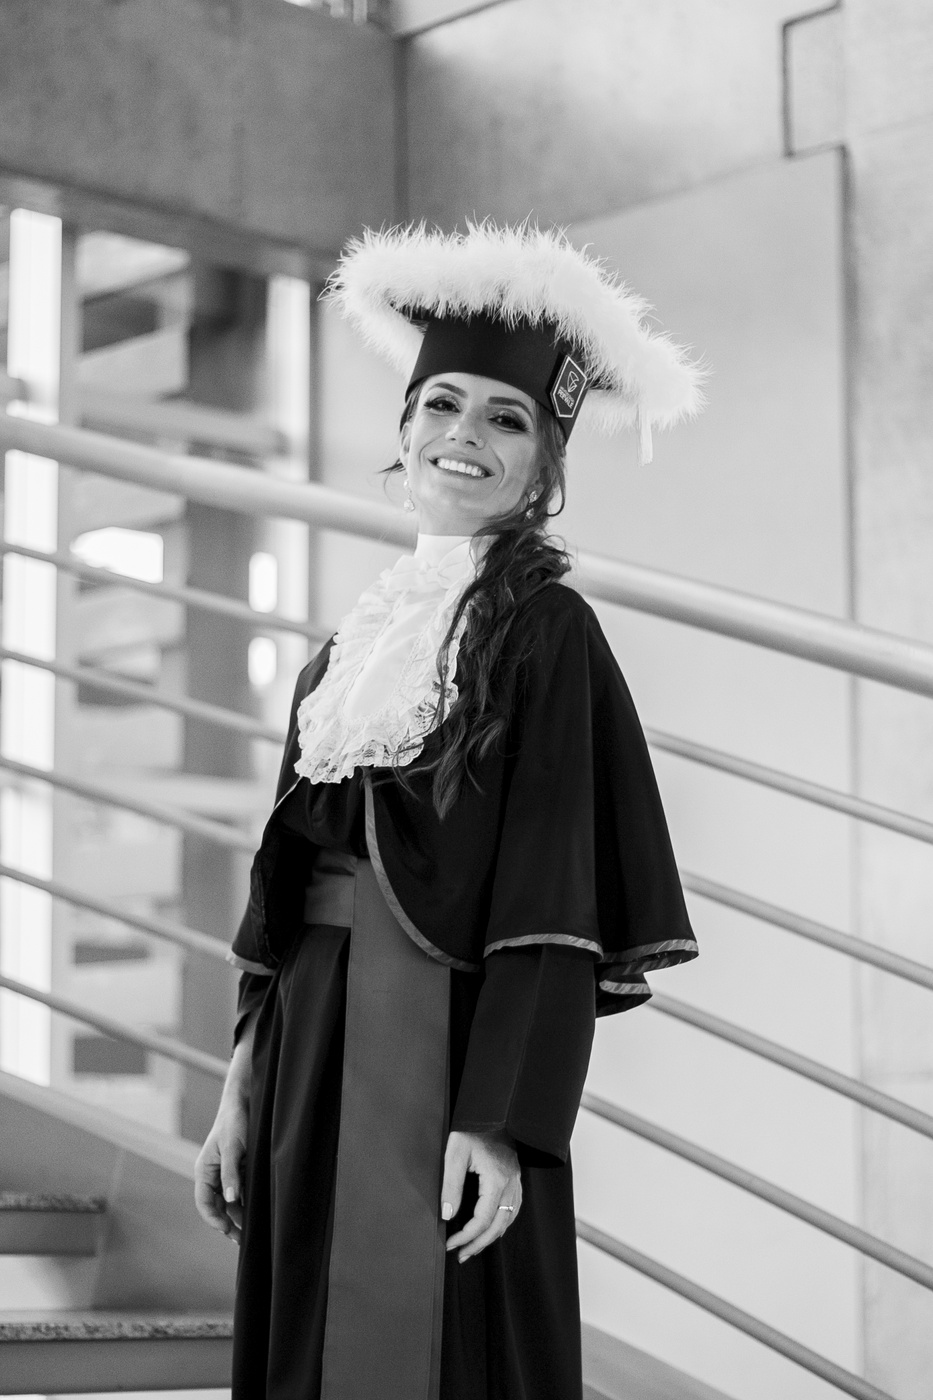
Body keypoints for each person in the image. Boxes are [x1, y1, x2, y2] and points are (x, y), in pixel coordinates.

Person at [194, 222, 704, 1400]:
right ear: (407, 424)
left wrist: (502, 1119)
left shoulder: (548, 632)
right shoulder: (346, 651)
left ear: (545, 465)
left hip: (449, 1052)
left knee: (448, 1341)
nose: (465, 435)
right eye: (442, 404)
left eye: (505, 418)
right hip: (313, 1039)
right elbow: (283, 889)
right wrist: (240, 1082)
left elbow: (553, 889)